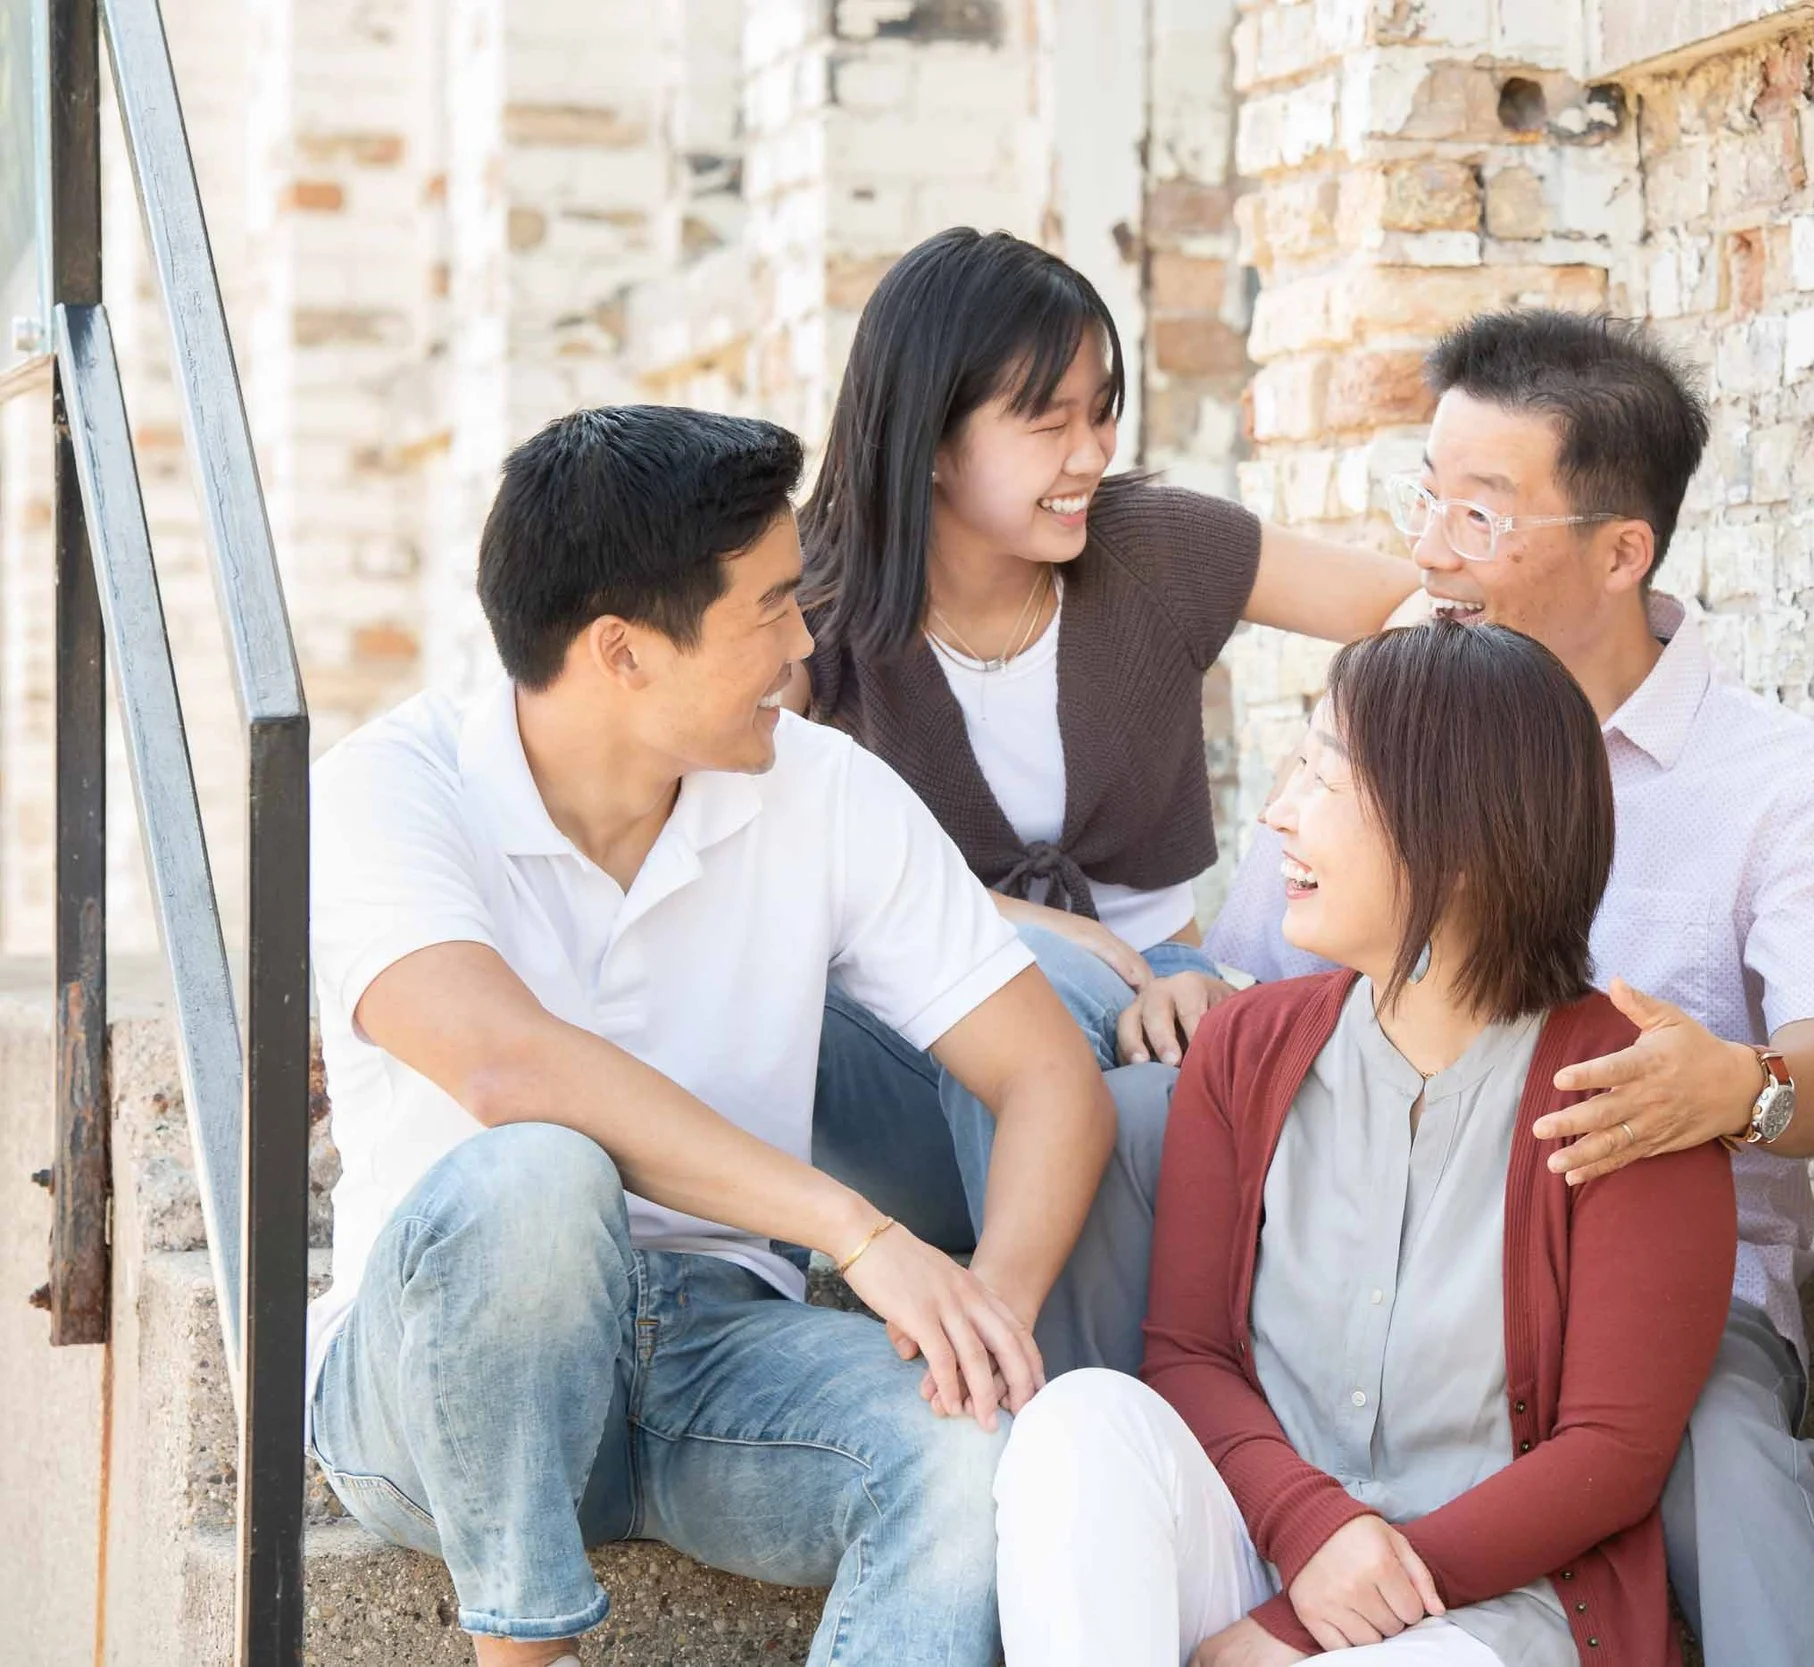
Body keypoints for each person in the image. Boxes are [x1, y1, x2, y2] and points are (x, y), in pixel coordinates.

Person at [303, 405, 1144, 1667]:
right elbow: (500, 1062)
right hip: (445, 1375)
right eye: (769, 606)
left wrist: (989, 1314)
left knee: (977, 1453)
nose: (804, 642)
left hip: (717, 1353)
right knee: (538, 1170)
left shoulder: (820, 788)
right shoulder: (389, 787)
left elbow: (1044, 1074)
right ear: (621, 651)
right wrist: (856, 1231)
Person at [1206, 310, 1814, 1666]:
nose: (1428, 547)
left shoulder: (1777, 783)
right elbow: (1250, 980)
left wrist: (1735, 1088)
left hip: (1653, 1302)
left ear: (1620, 548)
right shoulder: (1391, 712)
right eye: (1427, 495)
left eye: (1481, 510)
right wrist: (1175, 999)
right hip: (1374, 1269)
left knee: (1725, 1453)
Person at [993, 621, 1736, 1667]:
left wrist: (1293, 1629)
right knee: (1078, 1420)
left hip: (1493, 1610)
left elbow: (1609, 1457)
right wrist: (1307, 1535)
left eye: (1323, 779)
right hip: (1260, 1547)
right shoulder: (1246, 1046)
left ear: (1459, 835)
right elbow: (1189, 1355)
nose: (1277, 812)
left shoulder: (1628, 1092)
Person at [795, 227, 1415, 1304]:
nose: (1089, 453)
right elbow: (768, 859)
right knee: (1022, 987)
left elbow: (1416, 610)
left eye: (1100, 411)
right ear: (930, 439)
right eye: (1047, 423)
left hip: (1159, 1014)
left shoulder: (1150, 550)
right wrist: (1051, 934)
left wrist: (1332, 761)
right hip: (902, 1059)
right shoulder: (811, 610)